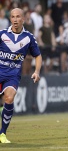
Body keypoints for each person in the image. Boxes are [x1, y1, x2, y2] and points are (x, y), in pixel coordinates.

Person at [0, 8, 42, 143]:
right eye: (12, 17)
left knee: (9, 97)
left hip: (13, 75)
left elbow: (38, 55)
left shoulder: (29, 38)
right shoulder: (2, 34)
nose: (15, 20)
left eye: (18, 17)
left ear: (23, 19)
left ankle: (2, 134)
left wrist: (37, 71)